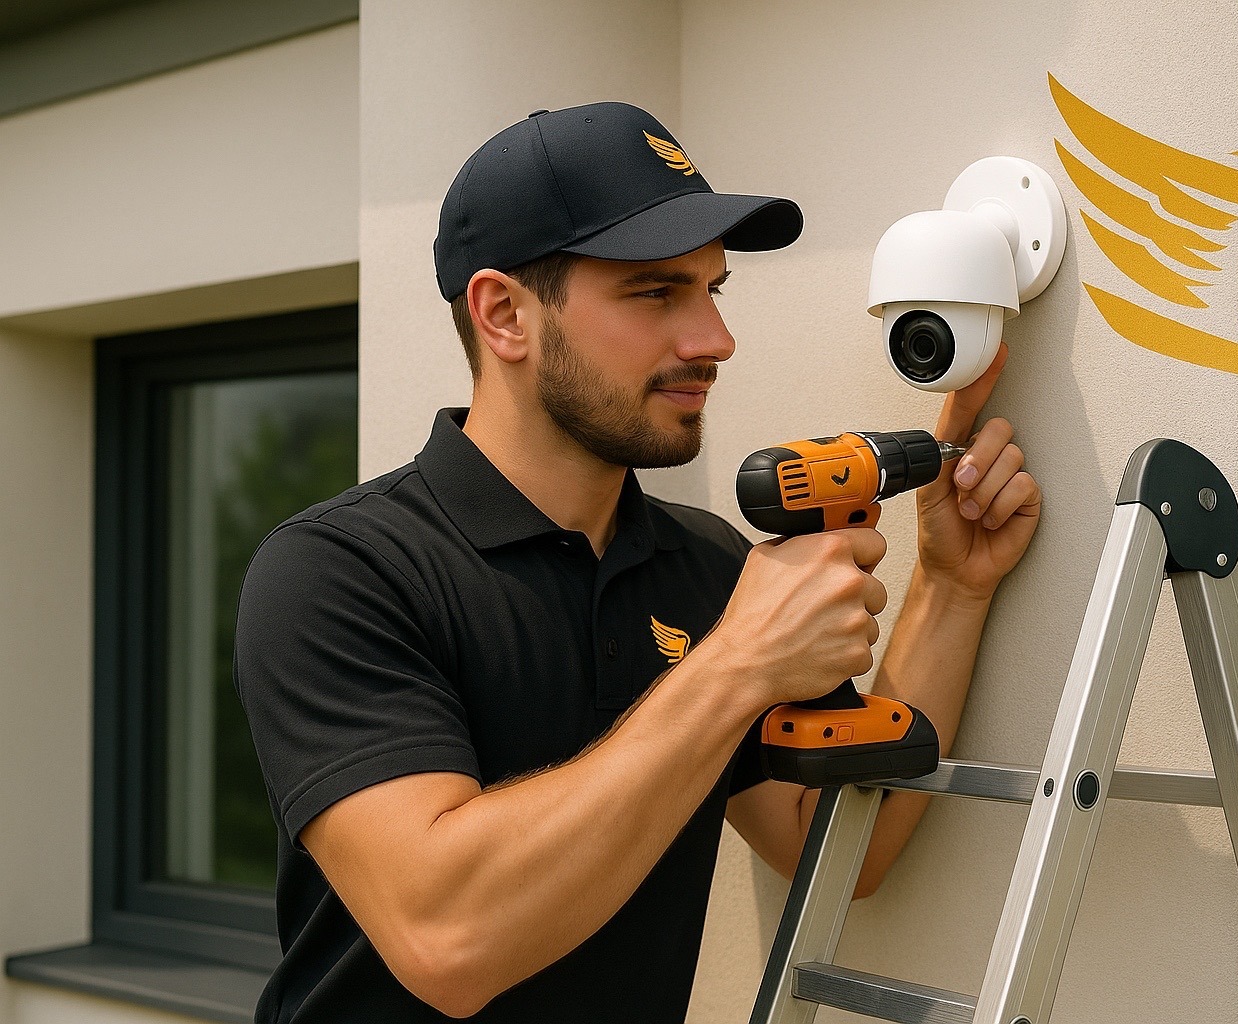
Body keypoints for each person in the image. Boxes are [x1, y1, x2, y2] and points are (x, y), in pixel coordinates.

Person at [235, 101, 1041, 1023]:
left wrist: (951, 587)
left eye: (713, 290)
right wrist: (736, 666)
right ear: (504, 314)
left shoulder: (706, 568)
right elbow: (446, 937)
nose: (714, 340)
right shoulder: (339, 573)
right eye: (657, 294)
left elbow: (837, 844)